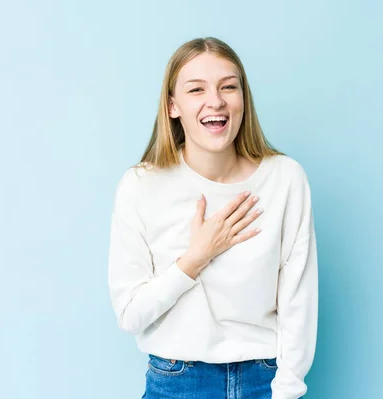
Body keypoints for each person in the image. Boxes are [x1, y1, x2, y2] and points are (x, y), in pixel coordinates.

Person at [108, 37, 318, 399]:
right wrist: (195, 258)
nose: (216, 100)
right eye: (196, 89)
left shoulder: (285, 179)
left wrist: (286, 391)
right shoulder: (141, 185)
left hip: (265, 380)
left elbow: (299, 302)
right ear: (173, 106)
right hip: (177, 381)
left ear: (242, 99)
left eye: (228, 87)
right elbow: (130, 315)